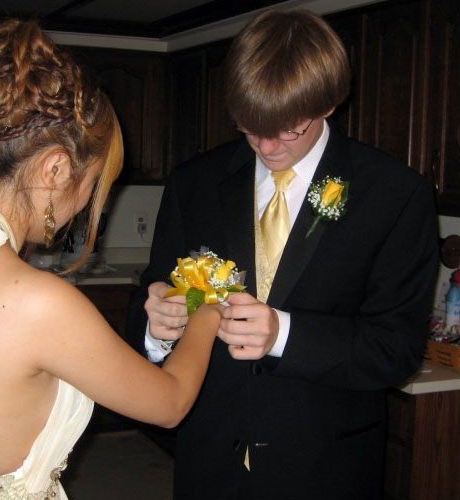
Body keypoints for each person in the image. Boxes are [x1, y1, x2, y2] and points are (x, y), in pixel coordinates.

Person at [0, 19, 222, 500]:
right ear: (55, 168)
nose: (86, 203)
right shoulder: (38, 303)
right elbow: (171, 403)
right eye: (92, 183)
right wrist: (208, 307)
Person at [126, 9, 439, 500]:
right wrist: (156, 328)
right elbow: (150, 294)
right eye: (251, 128)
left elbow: (395, 350)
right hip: (208, 462)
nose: (268, 146)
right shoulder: (195, 182)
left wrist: (284, 333)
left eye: (290, 129)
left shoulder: (394, 194)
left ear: (330, 104)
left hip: (326, 467)